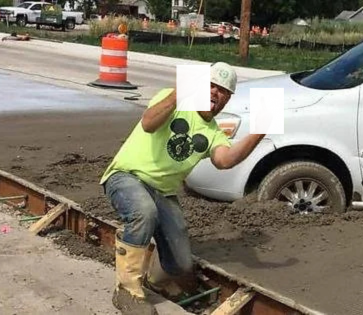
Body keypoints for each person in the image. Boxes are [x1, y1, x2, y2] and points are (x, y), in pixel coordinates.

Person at [99, 62, 265, 314]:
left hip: (162, 193)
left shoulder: (213, 133)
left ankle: (150, 284)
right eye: (211, 86)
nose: (215, 93)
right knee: (143, 211)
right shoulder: (173, 102)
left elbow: (225, 160)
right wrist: (178, 94)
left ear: (227, 99)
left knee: (180, 264)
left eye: (222, 91)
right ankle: (127, 290)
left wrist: (260, 130)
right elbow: (148, 123)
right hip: (126, 177)